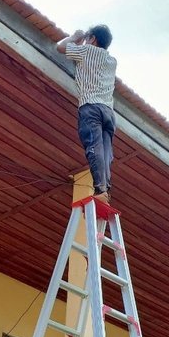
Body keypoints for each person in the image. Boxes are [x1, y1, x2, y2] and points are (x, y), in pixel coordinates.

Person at [56, 25, 117, 204]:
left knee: (94, 147)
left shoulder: (86, 51)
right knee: (106, 153)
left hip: (91, 107)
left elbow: (59, 47)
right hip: (108, 111)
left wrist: (75, 37)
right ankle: (106, 188)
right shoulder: (112, 61)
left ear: (93, 39)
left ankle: (101, 189)